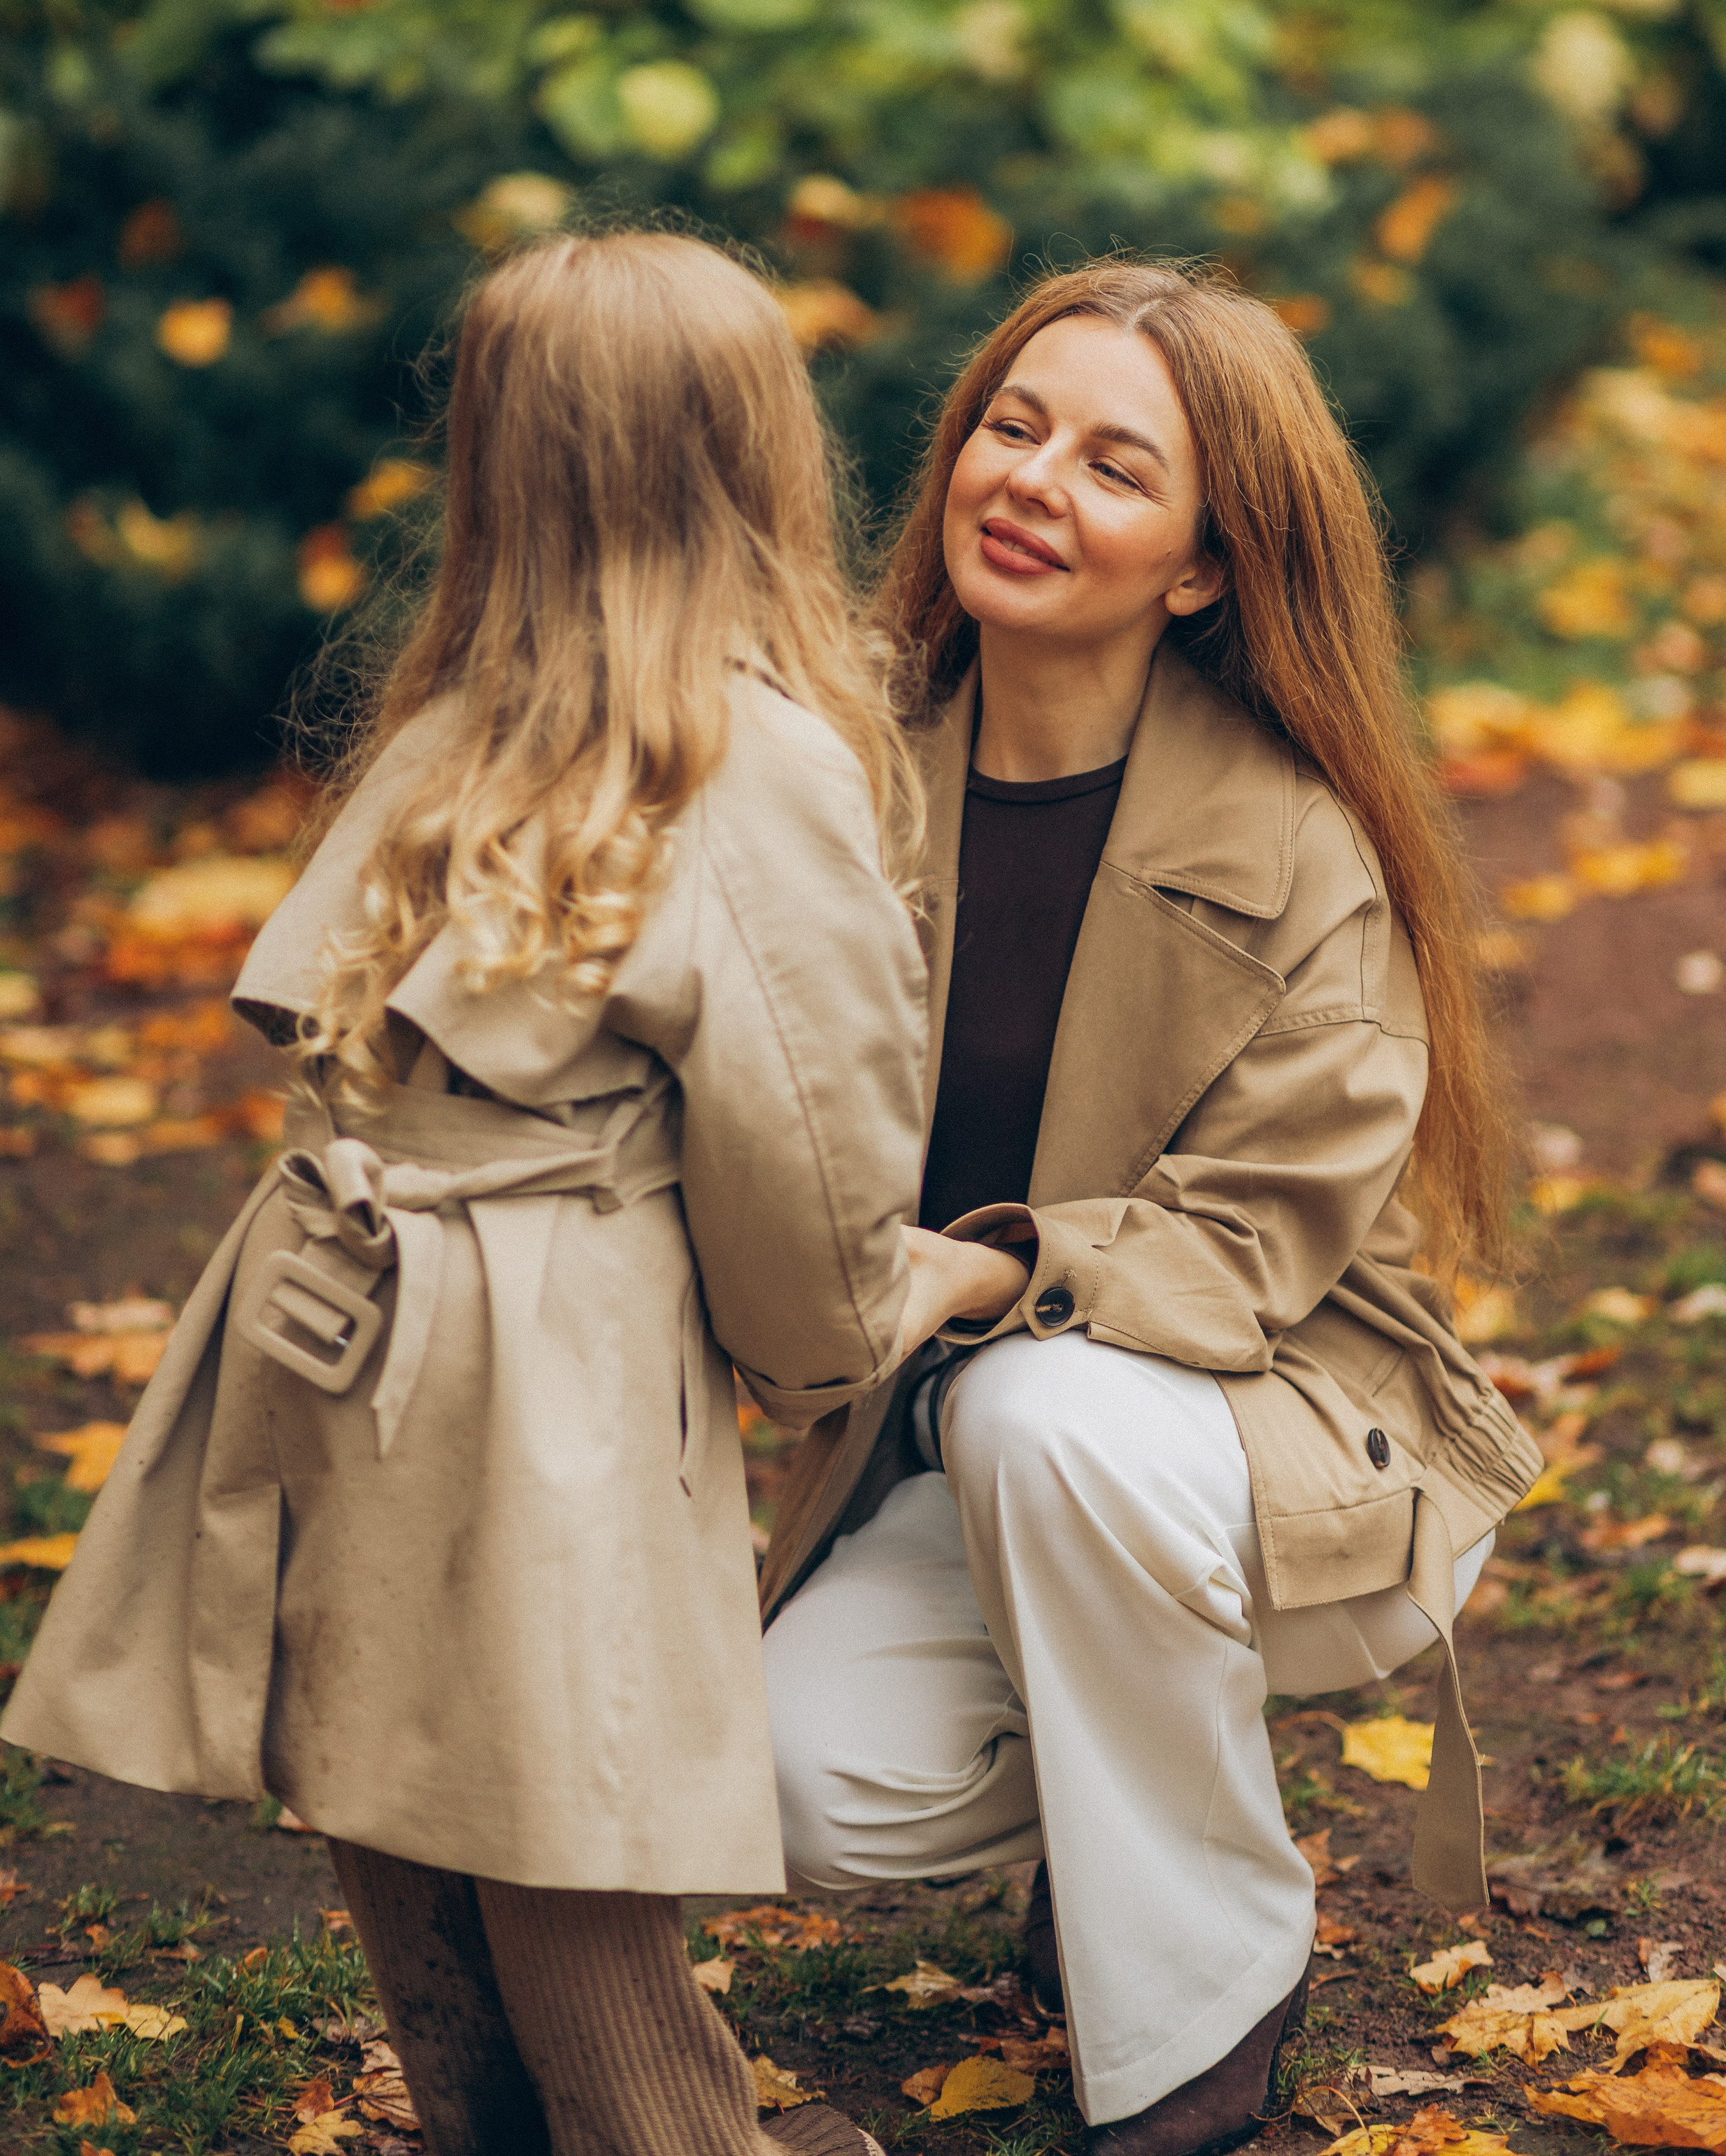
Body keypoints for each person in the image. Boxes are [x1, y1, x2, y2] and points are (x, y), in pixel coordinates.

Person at [2, 230, 1028, 2156]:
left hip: (335, 1297)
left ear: (497, 459)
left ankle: (485, 2120)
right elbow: (807, 1151)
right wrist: (870, 1324)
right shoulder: (746, 762)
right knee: (567, 1802)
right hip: (537, 1342)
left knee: (398, 1756)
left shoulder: (453, 723)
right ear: (758, 456)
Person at [760, 260, 1543, 2156]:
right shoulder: (839, 776)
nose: (1034, 482)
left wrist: (996, 1264)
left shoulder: (1296, 846)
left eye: (1117, 465)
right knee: (793, 1781)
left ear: (1200, 566)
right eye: (1012, 430)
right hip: (965, 1456)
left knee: (1043, 1410)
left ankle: (1204, 2003)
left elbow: (1247, 1248)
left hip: (1273, 1443)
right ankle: (1127, 1816)